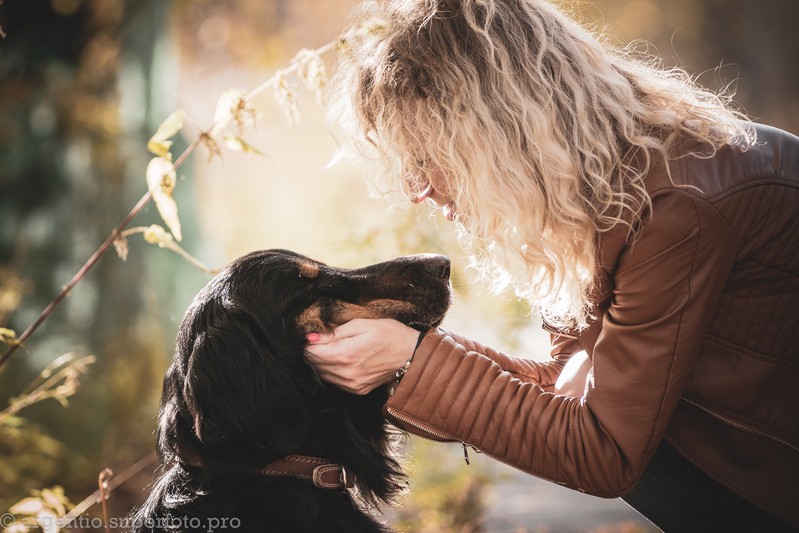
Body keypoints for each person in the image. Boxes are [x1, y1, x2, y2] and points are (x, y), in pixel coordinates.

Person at [304, 0, 799, 530]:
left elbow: (603, 447)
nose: (417, 190)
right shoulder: (588, 196)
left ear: (496, 131)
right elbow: (569, 391)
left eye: (427, 158)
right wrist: (399, 359)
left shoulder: (676, 207)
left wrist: (411, 360)